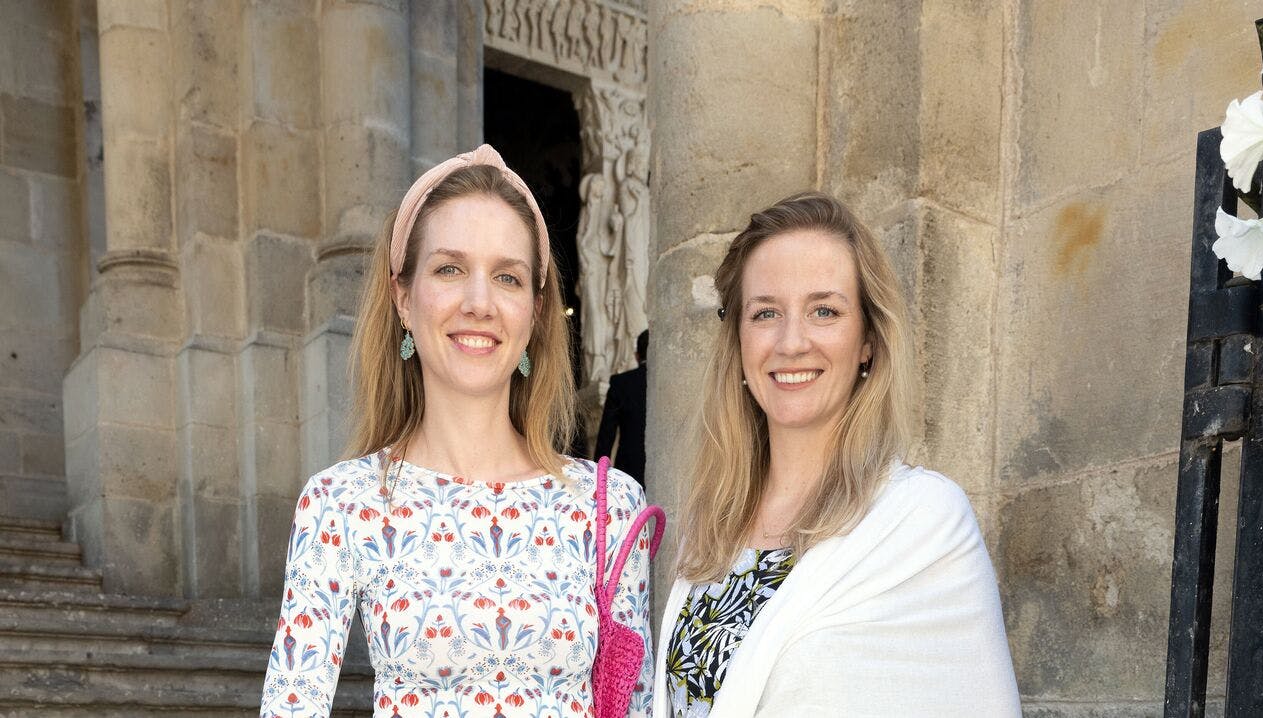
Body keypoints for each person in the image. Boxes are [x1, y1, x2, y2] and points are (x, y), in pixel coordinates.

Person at [260, 145, 654, 718]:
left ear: (536, 312)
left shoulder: (610, 507)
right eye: (450, 269)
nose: (479, 302)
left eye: (508, 277)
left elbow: (637, 705)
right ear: (403, 299)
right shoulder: (342, 504)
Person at [654, 193, 1020, 717]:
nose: (792, 341)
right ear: (738, 342)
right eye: (765, 313)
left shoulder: (923, 521)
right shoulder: (712, 527)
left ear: (868, 339)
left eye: (824, 310)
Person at [594, 330, 648, 487]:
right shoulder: (670, 384)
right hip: (666, 467)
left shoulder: (621, 383)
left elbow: (606, 435)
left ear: (637, 355)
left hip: (629, 473)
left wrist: (598, 477)